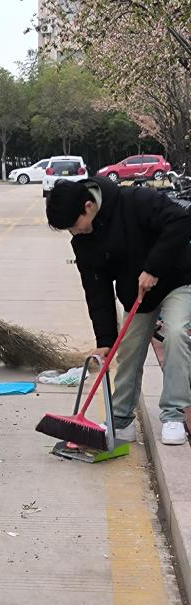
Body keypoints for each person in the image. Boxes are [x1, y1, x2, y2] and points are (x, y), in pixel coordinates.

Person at [46, 177, 191, 445]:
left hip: (177, 280)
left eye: (73, 226)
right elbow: (97, 291)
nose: (73, 233)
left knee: (177, 332)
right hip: (139, 296)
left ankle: (172, 415)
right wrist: (104, 340)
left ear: (88, 206)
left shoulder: (134, 201)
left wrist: (153, 268)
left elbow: (181, 221)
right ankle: (121, 422)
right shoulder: (83, 241)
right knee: (127, 352)